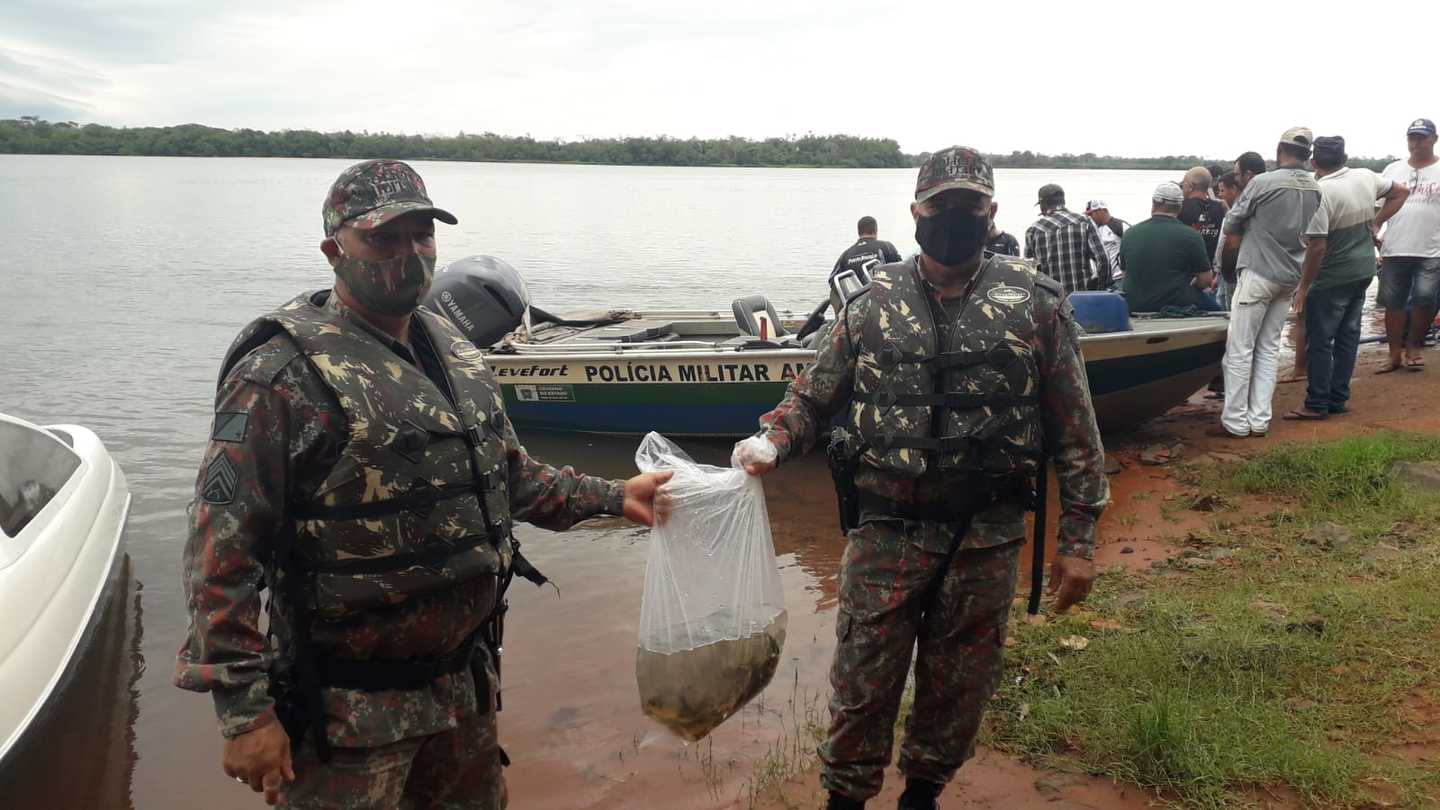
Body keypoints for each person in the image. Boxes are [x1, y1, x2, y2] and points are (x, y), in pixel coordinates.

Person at [175, 159, 671, 809]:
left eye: (421, 236)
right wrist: (245, 715)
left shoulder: (456, 351)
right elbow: (222, 549)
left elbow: (507, 476)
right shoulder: (281, 372)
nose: (408, 254)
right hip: (348, 716)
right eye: (383, 239)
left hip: (462, 691)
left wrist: (615, 495)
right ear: (334, 250)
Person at [734, 146, 1108, 810]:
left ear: (992, 213)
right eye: (942, 206)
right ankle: (845, 799)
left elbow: (1076, 432)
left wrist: (1077, 542)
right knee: (862, 681)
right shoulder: (872, 302)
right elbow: (813, 397)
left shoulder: (1038, 305)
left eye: (969, 206)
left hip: (986, 535)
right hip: (887, 529)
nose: (954, 218)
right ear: (916, 213)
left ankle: (923, 796)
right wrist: (771, 440)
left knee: (960, 683)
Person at [1286, 137, 1408, 419]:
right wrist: (1376, 222)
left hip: (1332, 276)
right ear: (1344, 158)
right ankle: (1338, 398)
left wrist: (1303, 288)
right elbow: (1401, 191)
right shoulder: (1365, 177)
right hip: (1363, 270)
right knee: (1347, 337)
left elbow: (1317, 246)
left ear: (1313, 163)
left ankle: (1316, 403)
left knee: (1319, 339)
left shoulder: (1318, 192)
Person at [1216, 129, 1322, 438]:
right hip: (1289, 275)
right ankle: (1259, 419)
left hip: (1258, 272)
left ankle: (1235, 422)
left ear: (1279, 150)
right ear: (1307, 154)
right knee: (1267, 348)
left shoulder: (1263, 182)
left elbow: (1233, 221)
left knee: (1239, 349)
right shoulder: (1314, 188)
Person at [1376, 118, 1440, 373]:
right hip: (1394, 247)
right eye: (1412, 137)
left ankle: (1414, 347)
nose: (1416, 142)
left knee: (1424, 299)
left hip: (1433, 248)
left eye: (1422, 137)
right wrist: (1374, 229)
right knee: (1393, 302)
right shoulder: (1392, 170)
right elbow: (1378, 206)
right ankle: (1393, 355)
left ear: (1434, 139)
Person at [1119, 182, 1219, 313]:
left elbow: (1125, 273)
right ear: (1180, 207)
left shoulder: (1129, 233)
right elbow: (1205, 280)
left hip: (1134, 304)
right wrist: (1192, 285)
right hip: (1177, 304)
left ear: (1153, 202)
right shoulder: (1191, 235)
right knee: (1217, 309)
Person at [1025, 183, 1113, 294]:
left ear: (1043, 205)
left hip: (1052, 303)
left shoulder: (1033, 230)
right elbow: (1103, 258)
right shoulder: (1083, 222)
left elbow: (1028, 271)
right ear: (1063, 202)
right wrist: (1099, 289)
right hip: (1082, 299)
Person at [1178, 167, 1228, 259]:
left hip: (1186, 266)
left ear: (1190, 186)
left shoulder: (1180, 207)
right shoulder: (1220, 208)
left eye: (1183, 184)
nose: (1182, 187)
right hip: (1209, 265)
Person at [833, 216, 903, 279]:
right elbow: (902, 269)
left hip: (857, 292)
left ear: (858, 232)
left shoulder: (846, 255)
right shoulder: (886, 246)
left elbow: (832, 278)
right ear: (875, 230)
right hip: (882, 291)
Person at [1084, 200, 1127, 283]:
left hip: (1119, 278)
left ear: (1102, 210)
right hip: (1100, 280)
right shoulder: (1092, 230)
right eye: (1087, 215)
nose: (1089, 217)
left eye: (1091, 214)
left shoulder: (1120, 225)